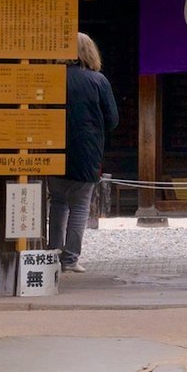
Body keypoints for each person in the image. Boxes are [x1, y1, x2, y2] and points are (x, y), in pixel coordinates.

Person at [52, 32, 121, 275]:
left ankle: (53, 255)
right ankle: (70, 259)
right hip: (88, 149)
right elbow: (112, 119)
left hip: (55, 147)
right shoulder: (99, 81)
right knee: (80, 205)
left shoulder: (53, 78)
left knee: (58, 202)